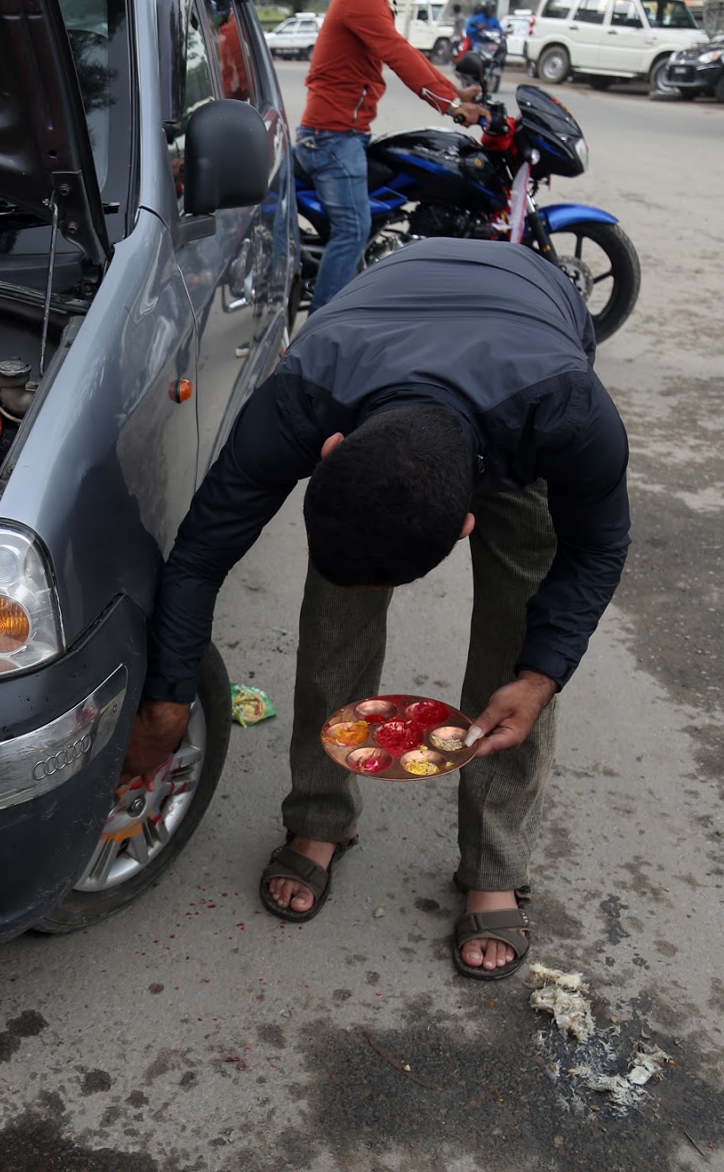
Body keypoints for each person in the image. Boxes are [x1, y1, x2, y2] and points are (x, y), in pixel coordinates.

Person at [124, 239, 631, 981]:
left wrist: (542, 676)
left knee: (520, 638)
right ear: (328, 451)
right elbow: (202, 549)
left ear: (466, 525)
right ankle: (320, 818)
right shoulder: (302, 395)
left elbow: (597, 551)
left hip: (525, 364)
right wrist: (167, 700)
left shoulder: (569, 415)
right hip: (379, 344)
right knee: (334, 623)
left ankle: (493, 862)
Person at [297, 0, 489, 310]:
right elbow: (398, 53)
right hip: (331, 138)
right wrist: (452, 105)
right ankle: (317, 332)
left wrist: (453, 93)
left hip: (344, 134)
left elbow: (402, 51)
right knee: (354, 228)